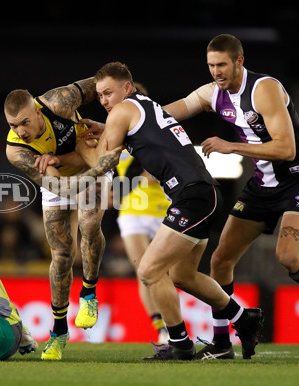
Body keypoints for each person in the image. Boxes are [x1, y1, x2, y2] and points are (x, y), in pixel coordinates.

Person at [53, 61, 264, 361]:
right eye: (100, 96)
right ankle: (244, 318)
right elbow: (130, 139)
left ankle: (180, 344)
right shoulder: (146, 106)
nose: (104, 101)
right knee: (183, 275)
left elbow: (101, 164)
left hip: (192, 197)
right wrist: (74, 151)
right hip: (204, 194)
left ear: (127, 87)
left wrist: (74, 151)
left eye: (108, 93)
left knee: (149, 270)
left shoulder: (123, 110)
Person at [162, 33, 299, 358]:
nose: (216, 72)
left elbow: (287, 147)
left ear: (239, 61)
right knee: (221, 260)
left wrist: (230, 145)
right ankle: (222, 343)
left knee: (288, 256)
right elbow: (169, 113)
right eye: (211, 65)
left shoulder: (264, 89)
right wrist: (126, 121)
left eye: (222, 64)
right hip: (262, 186)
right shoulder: (212, 93)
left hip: (298, 181)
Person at [4, 78, 111, 360]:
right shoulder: (16, 150)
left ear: (37, 111)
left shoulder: (58, 101)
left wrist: (116, 122)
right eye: (13, 126)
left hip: (90, 160)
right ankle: (59, 332)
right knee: (62, 255)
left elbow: (101, 83)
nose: (20, 131)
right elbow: (59, 187)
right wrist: (67, 163)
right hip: (66, 179)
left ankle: (88, 293)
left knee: (89, 224)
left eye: (24, 122)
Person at [111, 82, 171, 344]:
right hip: (132, 211)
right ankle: (161, 328)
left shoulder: (160, 132)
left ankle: (173, 325)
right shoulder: (115, 134)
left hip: (163, 210)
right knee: (143, 272)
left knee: (166, 273)